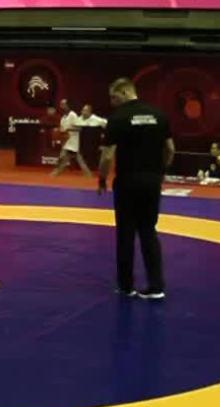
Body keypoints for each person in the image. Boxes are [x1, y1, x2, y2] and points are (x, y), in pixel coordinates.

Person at [99, 78, 174, 300]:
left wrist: (102, 178)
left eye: (114, 97)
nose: (112, 102)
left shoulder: (117, 118)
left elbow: (108, 155)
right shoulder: (159, 115)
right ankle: (156, 286)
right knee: (149, 230)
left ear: (124, 92)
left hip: (128, 180)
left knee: (125, 233)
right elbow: (170, 149)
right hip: (152, 181)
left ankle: (126, 286)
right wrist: (160, 171)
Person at [52, 103, 103, 177]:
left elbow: (79, 128)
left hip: (73, 141)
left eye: (64, 105)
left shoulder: (73, 115)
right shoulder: (63, 117)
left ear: (68, 105)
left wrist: (68, 129)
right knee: (71, 158)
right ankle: (88, 174)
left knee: (63, 158)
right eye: (61, 105)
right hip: (66, 140)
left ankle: (55, 173)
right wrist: (59, 132)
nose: (62, 106)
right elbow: (62, 129)